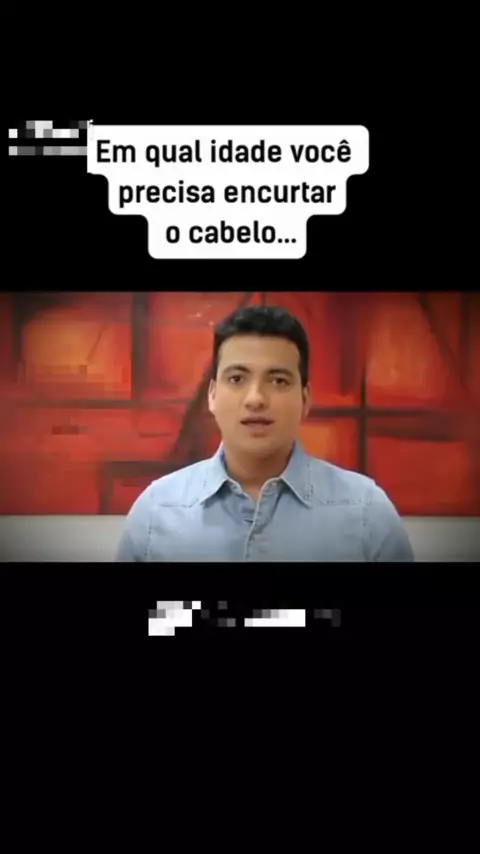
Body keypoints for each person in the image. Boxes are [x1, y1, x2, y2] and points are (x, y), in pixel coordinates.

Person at [116, 305, 414, 562]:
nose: (256, 399)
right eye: (237, 379)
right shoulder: (155, 511)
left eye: (279, 381)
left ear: (305, 400)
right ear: (212, 395)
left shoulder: (367, 513)